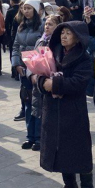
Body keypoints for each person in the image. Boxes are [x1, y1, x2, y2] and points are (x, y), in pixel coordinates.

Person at [35, 21, 95, 188]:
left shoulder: (84, 58)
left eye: (69, 33)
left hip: (73, 110)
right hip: (53, 108)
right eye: (62, 33)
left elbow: (79, 82)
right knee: (59, 148)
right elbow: (41, 74)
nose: (64, 36)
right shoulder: (53, 53)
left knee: (78, 149)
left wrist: (56, 85)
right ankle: (70, 185)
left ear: (78, 37)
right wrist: (43, 82)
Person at [24, 15, 61, 150]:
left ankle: (40, 139)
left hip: (47, 82)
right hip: (36, 81)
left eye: (50, 24)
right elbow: (32, 58)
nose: (47, 27)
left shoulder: (57, 43)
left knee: (42, 110)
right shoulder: (40, 41)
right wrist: (32, 74)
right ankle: (30, 136)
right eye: (46, 24)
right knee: (33, 109)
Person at [11, 0, 44, 121]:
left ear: (35, 10)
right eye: (24, 8)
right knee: (25, 94)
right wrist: (16, 64)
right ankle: (27, 119)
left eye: (29, 8)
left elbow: (43, 49)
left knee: (36, 97)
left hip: (35, 68)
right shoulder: (21, 26)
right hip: (23, 67)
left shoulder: (42, 26)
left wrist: (34, 66)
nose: (26, 11)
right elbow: (15, 46)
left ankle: (38, 128)